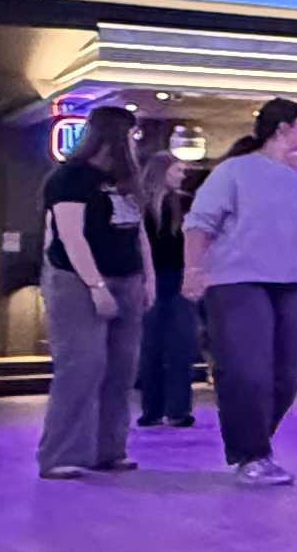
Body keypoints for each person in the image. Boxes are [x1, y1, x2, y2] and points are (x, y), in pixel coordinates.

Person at [183, 97, 297, 487]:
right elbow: (199, 222)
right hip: (239, 278)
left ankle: (252, 445)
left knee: (285, 376)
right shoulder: (236, 171)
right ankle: (253, 454)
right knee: (247, 368)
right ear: (282, 128)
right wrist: (194, 268)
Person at [36, 105, 148, 480]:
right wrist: (95, 285)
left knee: (121, 369)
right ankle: (61, 453)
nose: (134, 143)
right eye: (130, 135)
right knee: (82, 366)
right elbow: (71, 235)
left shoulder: (126, 180)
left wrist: (147, 278)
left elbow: (138, 232)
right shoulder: (70, 178)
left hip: (127, 276)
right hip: (76, 280)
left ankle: (109, 448)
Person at [134, 151, 200, 428]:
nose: (182, 175)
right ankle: (157, 408)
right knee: (152, 346)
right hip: (154, 277)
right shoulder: (142, 205)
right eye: (178, 170)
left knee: (178, 344)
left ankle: (173, 409)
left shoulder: (185, 203)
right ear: (163, 171)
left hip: (176, 276)